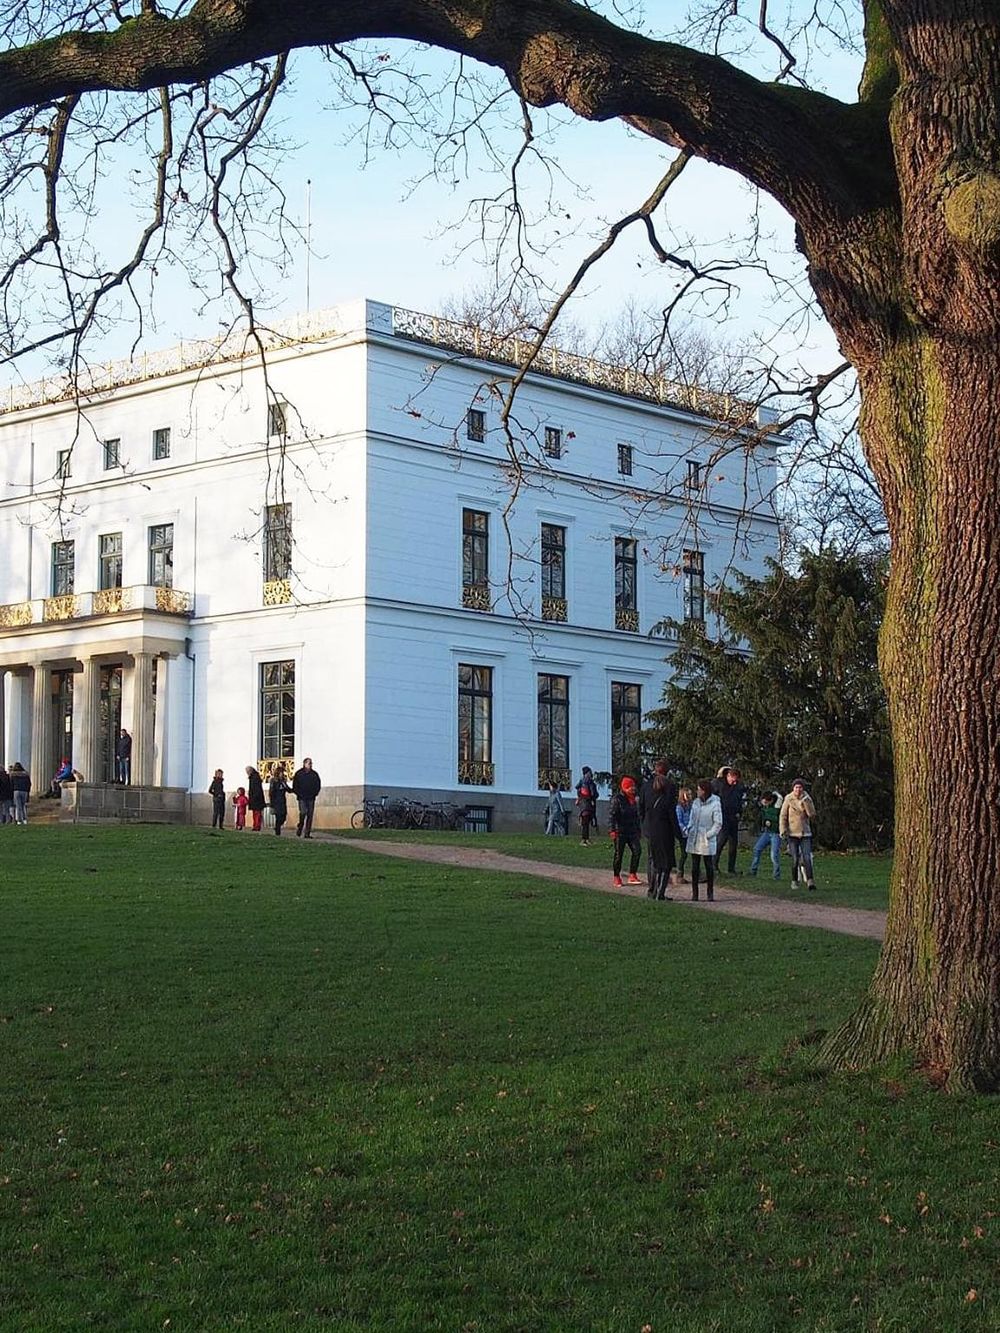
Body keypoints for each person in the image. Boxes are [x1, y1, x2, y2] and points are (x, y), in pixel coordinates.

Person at [639, 760, 680, 900]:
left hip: (650, 827)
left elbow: (641, 807)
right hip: (664, 828)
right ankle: (659, 892)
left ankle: (652, 890)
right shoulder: (670, 786)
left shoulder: (646, 786)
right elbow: (671, 812)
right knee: (665, 861)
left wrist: (644, 823)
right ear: (667, 771)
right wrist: (678, 833)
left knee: (652, 859)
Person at [686, 779, 723, 902]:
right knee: (695, 867)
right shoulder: (696, 802)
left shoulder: (715, 803)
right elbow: (692, 817)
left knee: (708, 866)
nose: (697, 792)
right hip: (695, 837)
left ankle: (710, 892)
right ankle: (695, 893)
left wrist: (709, 835)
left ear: (704, 791)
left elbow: (718, 823)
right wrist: (689, 829)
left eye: (699, 790)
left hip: (707, 838)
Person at [780, 778, 818, 890]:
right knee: (795, 858)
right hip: (792, 833)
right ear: (793, 788)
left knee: (807, 857)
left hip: (805, 832)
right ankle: (794, 880)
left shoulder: (807, 798)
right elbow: (783, 815)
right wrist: (783, 830)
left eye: (800, 787)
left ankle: (810, 881)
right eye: (796, 787)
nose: (798, 789)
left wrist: (805, 803)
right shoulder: (788, 798)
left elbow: (811, 814)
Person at [608, 775, 642, 887]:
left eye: (633, 786)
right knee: (619, 854)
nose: (633, 789)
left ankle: (632, 874)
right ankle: (616, 876)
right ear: (625, 787)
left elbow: (636, 816)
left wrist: (638, 830)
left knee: (637, 851)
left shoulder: (633, 800)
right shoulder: (617, 799)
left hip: (631, 831)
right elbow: (612, 815)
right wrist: (612, 830)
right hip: (620, 831)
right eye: (631, 787)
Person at [714, 766, 746, 875]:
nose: (734, 782)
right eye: (733, 780)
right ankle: (714, 866)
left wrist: (739, 812)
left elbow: (739, 800)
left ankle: (731, 869)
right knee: (720, 842)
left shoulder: (738, 787)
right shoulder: (718, 784)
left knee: (733, 844)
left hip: (733, 817)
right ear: (728, 776)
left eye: (736, 780)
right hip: (722, 816)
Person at [749, 791, 782, 879]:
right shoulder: (764, 808)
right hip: (767, 832)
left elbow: (779, 818)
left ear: (770, 801)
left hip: (776, 833)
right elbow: (762, 818)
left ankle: (776, 875)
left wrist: (769, 820)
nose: (764, 804)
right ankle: (753, 870)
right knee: (757, 849)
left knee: (774, 854)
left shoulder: (777, 807)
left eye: (766, 802)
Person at [291, 757, 322, 838]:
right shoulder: (299, 774)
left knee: (310, 815)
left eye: (311, 763)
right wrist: (298, 793)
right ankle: (300, 826)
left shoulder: (314, 774)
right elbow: (295, 785)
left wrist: (315, 793)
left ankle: (307, 833)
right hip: (302, 797)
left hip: (311, 797)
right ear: (304, 764)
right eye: (309, 763)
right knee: (303, 812)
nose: (310, 765)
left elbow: (318, 784)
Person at [575, 766, 598, 845]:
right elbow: (593, 793)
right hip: (587, 804)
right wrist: (592, 798)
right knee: (586, 822)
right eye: (589, 772)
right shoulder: (589, 782)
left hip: (583, 804)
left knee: (585, 822)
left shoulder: (581, 781)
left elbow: (577, 787)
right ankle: (584, 839)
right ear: (587, 773)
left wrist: (579, 796)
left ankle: (586, 838)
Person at [675, 786, 693, 882]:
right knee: (684, 853)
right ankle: (679, 873)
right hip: (683, 833)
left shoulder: (691, 806)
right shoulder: (679, 807)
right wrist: (685, 830)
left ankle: (697, 873)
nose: (690, 796)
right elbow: (679, 821)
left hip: (691, 831)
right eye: (688, 794)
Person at [268, 763, 290, 836]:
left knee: (283, 816)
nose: (282, 774)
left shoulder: (283, 781)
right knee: (278, 816)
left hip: (282, 801)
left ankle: (277, 827)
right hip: (276, 801)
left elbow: (288, 789)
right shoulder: (273, 781)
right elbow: (271, 792)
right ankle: (278, 832)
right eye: (281, 773)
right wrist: (272, 802)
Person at [246, 765, 266, 831]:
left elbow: (256, 789)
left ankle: (257, 826)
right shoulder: (254, 777)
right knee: (255, 813)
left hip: (256, 798)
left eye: (247, 771)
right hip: (255, 798)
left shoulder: (255, 777)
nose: (247, 773)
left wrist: (254, 796)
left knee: (257, 813)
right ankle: (255, 825)